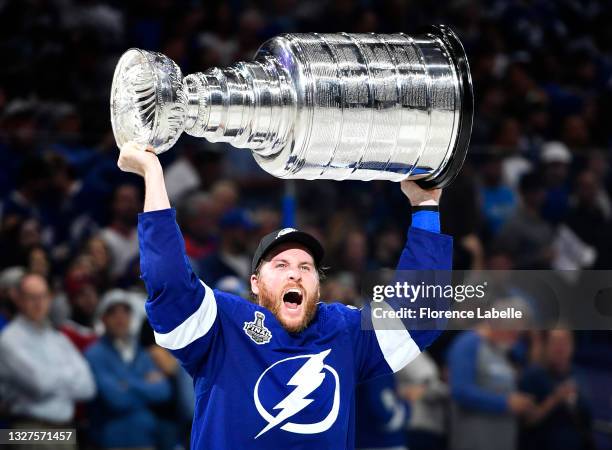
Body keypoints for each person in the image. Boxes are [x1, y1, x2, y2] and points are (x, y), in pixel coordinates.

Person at [117, 140, 453, 450]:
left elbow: (419, 315)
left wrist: (425, 205)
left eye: (306, 268)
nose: (295, 272)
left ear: (317, 287)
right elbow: (168, 281)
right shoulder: (223, 325)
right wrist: (153, 173)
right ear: (254, 283)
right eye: (280, 265)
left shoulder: (343, 330)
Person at [0, 273, 95, 435]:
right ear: (19, 300)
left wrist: (52, 376)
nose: (39, 303)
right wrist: (68, 376)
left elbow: (88, 387)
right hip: (30, 430)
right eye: (32, 297)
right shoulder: (9, 339)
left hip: (65, 430)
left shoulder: (57, 338)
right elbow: (40, 384)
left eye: (43, 296)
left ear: (50, 299)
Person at [85, 289, 172, 449]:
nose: (120, 318)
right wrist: (144, 383)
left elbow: (163, 392)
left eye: (125, 311)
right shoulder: (94, 354)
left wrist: (126, 383)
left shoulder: (140, 352)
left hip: (146, 438)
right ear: (103, 318)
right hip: (111, 440)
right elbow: (116, 400)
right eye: (113, 312)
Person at [447, 325, 535, 450]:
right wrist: (505, 403)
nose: (515, 339)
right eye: (512, 332)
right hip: (474, 440)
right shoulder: (469, 343)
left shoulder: (502, 351)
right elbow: (460, 391)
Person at [519, 330, 595, 450]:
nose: (560, 348)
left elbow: (587, 418)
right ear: (546, 346)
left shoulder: (578, 374)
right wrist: (555, 400)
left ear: (572, 346)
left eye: (564, 342)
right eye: (555, 342)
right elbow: (527, 421)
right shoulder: (533, 375)